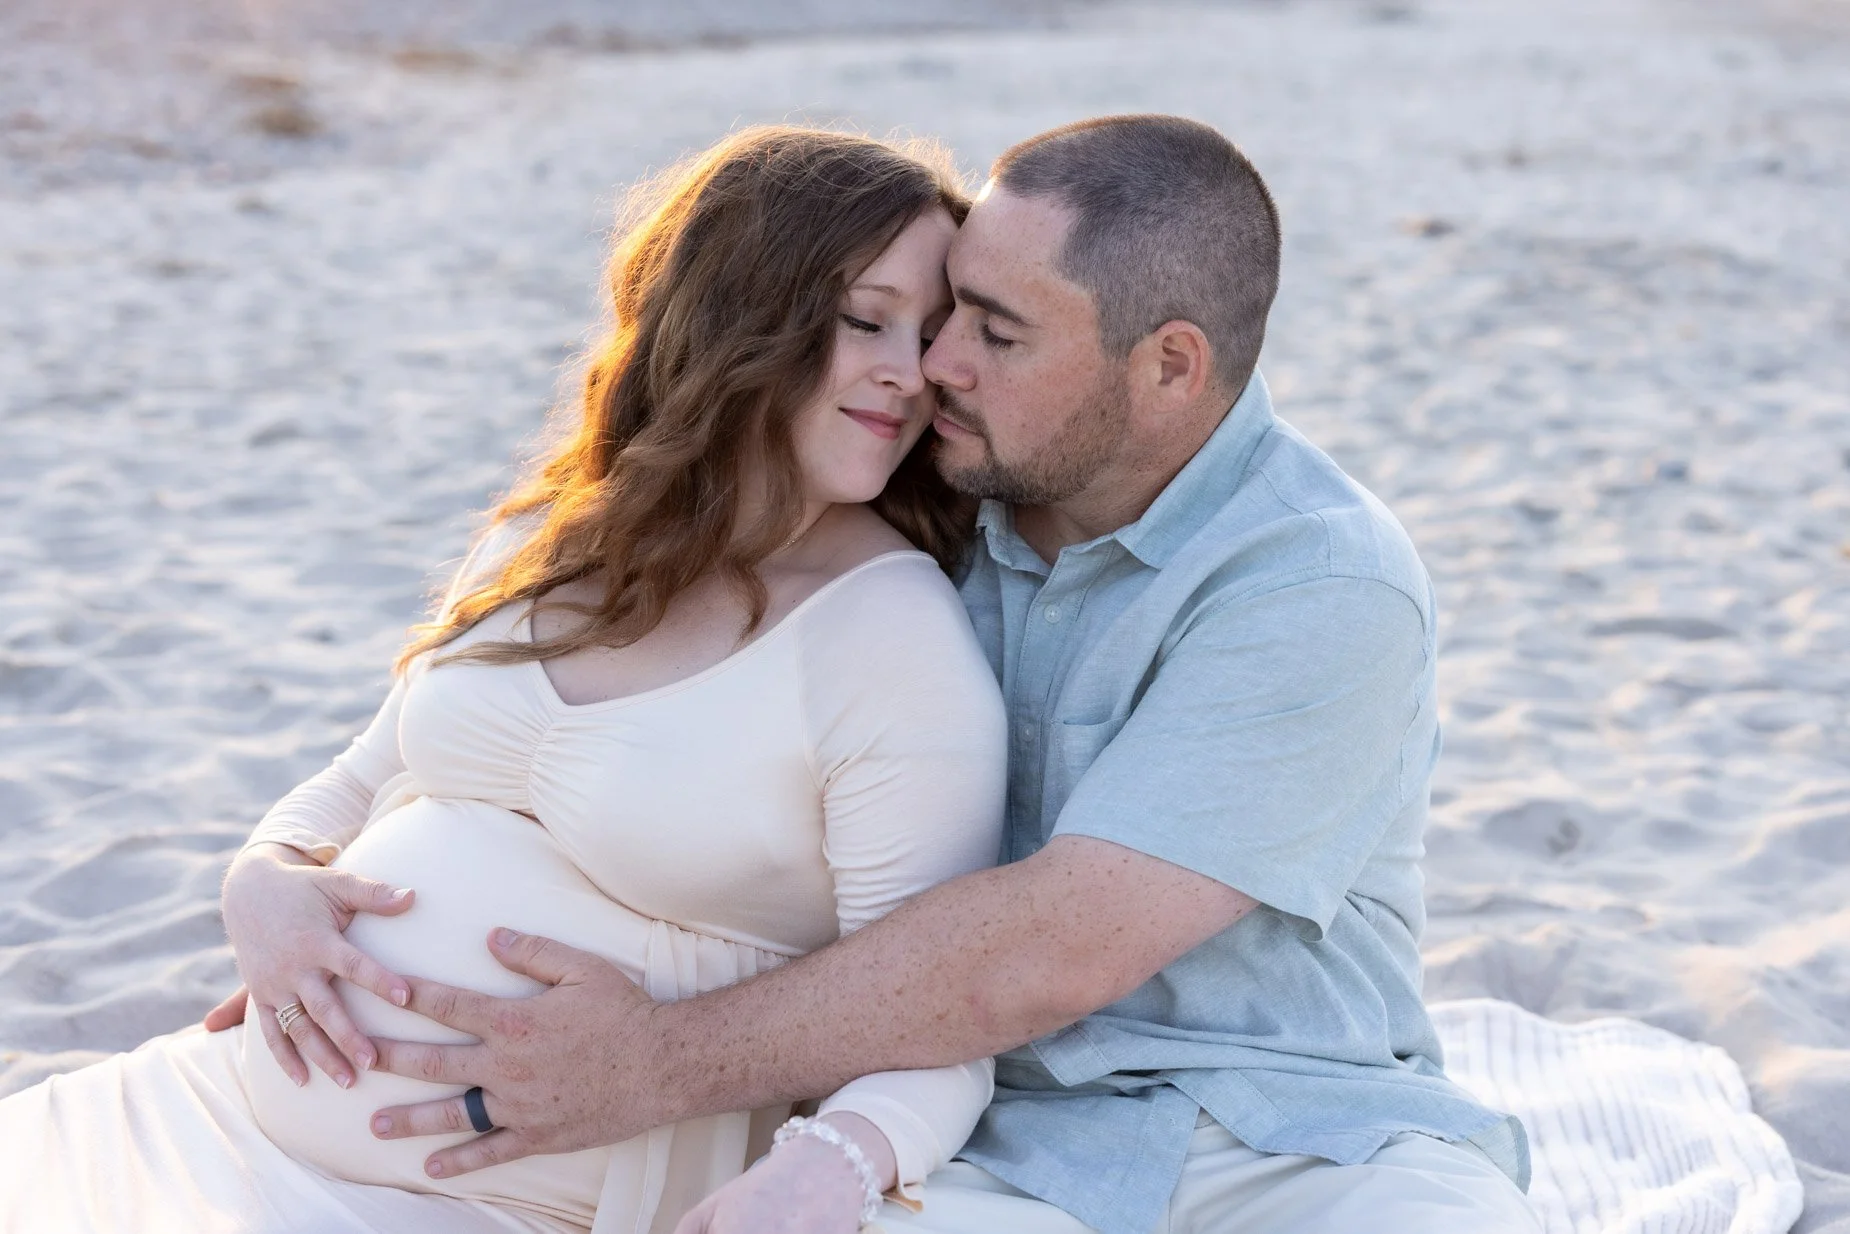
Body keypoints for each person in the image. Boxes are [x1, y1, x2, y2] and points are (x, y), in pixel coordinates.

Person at [341, 116, 1547, 1234]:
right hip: (983, 1141)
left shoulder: (1317, 583)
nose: (935, 364)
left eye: (996, 333)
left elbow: (1054, 949)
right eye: (944, 311)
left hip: (1290, 1139)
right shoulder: (919, 501)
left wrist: (651, 1061)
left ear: (1169, 367)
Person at [0, 127, 1011, 1234]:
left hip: (506, 1207)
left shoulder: (890, 638)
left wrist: (833, 1167)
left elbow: (938, 1019)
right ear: (739, 314)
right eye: (866, 320)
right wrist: (261, 881)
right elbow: (360, 776)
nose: (910, 374)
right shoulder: (552, 539)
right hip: (210, 1119)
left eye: (929, 336)